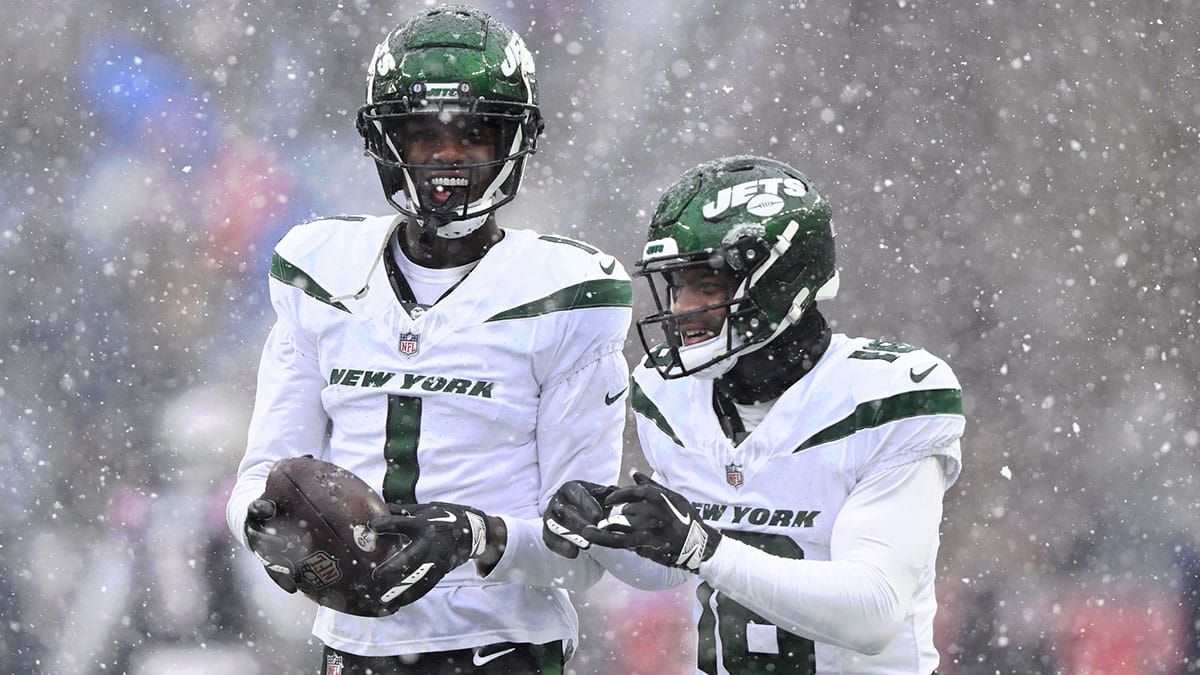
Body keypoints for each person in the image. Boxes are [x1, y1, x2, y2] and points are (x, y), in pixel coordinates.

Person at [225, 5, 632, 673]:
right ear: (387, 141)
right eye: (424, 135)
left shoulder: (568, 294)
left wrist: (475, 536)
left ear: (512, 139)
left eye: (474, 134)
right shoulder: (319, 271)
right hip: (355, 652)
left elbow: (584, 553)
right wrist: (268, 529)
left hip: (501, 648)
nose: (449, 156)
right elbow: (258, 478)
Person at [543, 155, 965, 674]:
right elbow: (668, 571)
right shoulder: (671, 397)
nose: (680, 310)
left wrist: (704, 547)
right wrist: (608, 531)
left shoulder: (885, 397)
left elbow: (872, 613)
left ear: (778, 282)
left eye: (706, 286)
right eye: (676, 287)